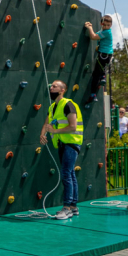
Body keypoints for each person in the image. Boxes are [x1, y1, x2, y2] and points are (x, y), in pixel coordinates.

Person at [40, 80, 83, 220]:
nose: (51, 88)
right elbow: (46, 123)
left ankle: (67, 208)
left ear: (62, 90)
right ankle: (74, 207)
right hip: (62, 143)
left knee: (66, 173)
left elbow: (73, 126)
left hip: (72, 143)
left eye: (54, 86)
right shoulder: (53, 107)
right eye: (51, 86)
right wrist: (42, 134)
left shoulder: (68, 105)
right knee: (70, 173)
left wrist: (55, 131)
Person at [83, 15, 114, 107]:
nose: (106, 27)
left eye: (108, 25)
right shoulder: (103, 31)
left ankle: (93, 94)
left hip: (104, 55)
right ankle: (102, 77)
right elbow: (96, 34)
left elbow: (93, 36)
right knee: (99, 72)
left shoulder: (107, 32)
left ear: (111, 25)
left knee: (95, 75)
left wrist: (89, 27)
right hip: (107, 56)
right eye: (104, 25)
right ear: (101, 24)